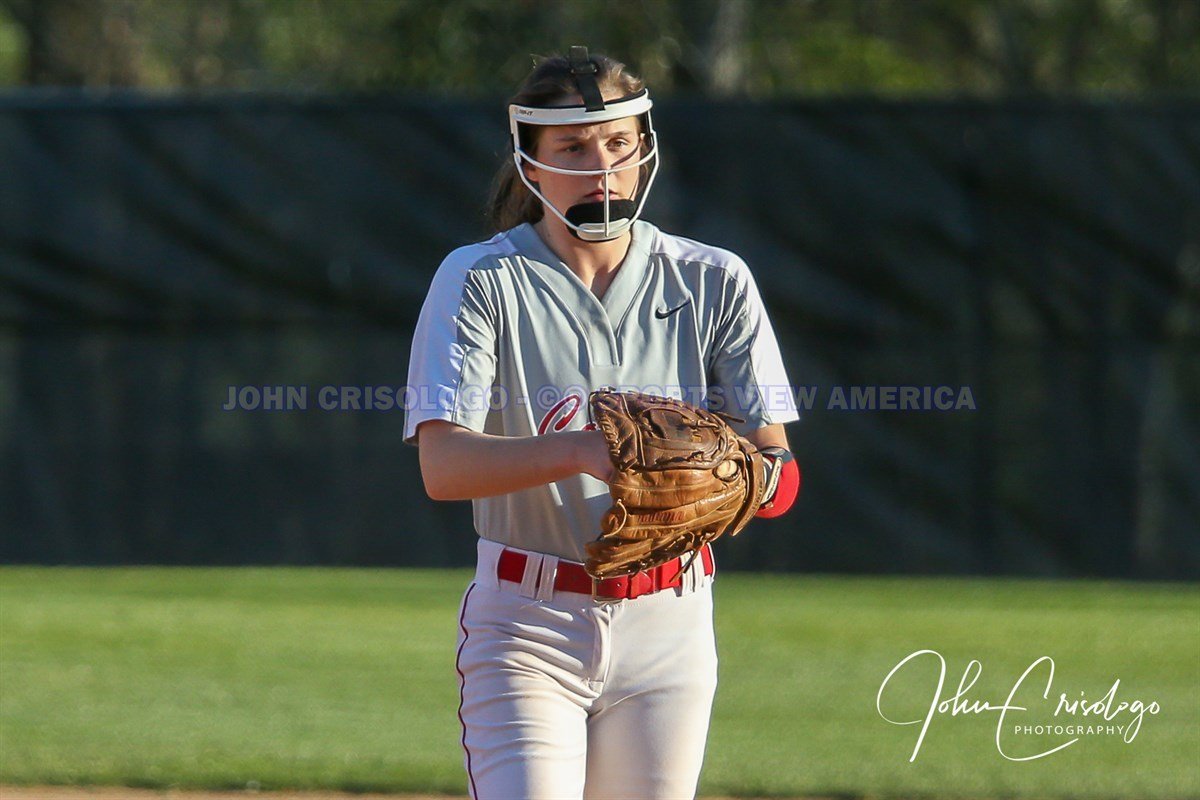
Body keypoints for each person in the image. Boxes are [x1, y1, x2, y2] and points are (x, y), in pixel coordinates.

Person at [403, 46, 802, 800]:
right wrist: (585, 450)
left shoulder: (713, 279)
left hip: (671, 623)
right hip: (528, 624)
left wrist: (732, 479)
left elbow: (780, 471)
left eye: (619, 143)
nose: (603, 169)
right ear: (530, 160)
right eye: (574, 148)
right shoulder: (482, 278)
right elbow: (444, 468)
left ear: (644, 148)